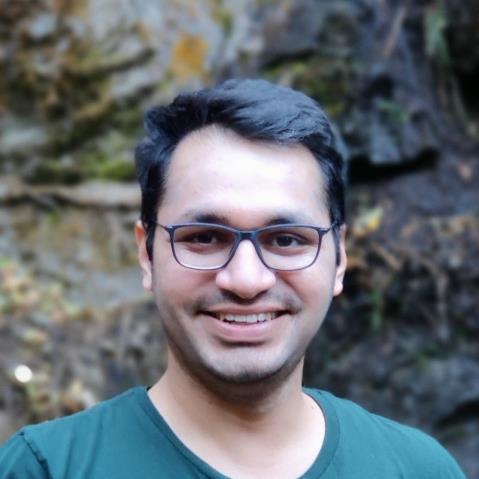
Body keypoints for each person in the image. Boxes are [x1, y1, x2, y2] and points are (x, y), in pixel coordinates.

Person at [0, 79, 466, 478]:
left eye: (286, 240)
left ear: (339, 258)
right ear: (147, 254)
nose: (246, 280)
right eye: (204, 238)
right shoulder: (48, 468)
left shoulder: (417, 470)